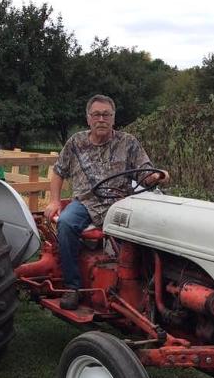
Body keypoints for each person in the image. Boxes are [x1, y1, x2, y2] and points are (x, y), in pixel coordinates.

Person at [43, 94, 170, 310]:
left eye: (106, 115)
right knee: (65, 224)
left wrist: (156, 176)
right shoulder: (75, 143)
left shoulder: (128, 142)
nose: (101, 119)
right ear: (88, 118)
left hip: (121, 202)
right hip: (86, 202)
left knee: (155, 226)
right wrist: (55, 201)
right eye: (96, 114)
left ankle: (150, 284)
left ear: (113, 118)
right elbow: (58, 172)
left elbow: (144, 173)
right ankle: (73, 287)